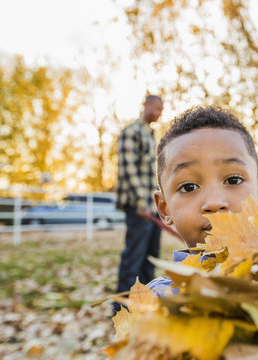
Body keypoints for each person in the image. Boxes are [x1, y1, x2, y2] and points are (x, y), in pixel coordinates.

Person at [139, 106, 258, 295]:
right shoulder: (154, 303)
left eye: (233, 180)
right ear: (165, 209)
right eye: (189, 187)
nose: (214, 202)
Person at [114, 95, 163, 311]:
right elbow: (128, 169)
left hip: (151, 208)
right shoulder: (132, 132)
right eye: (156, 108)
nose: (159, 112)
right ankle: (121, 310)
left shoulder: (151, 136)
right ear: (145, 105)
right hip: (139, 207)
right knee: (133, 259)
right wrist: (141, 202)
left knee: (150, 259)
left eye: (162, 109)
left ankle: (142, 307)